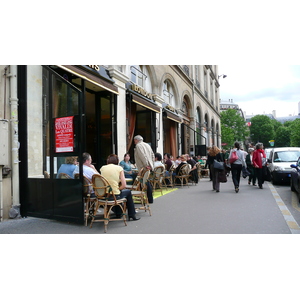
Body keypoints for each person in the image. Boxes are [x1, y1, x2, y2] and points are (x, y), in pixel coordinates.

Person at [100, 154, 140, 221]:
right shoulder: (119, 168)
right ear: (117, 161)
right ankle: (132, 214)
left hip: (104, 195)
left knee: (117, 193)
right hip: (114, 195)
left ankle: (118, 213)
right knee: (127, 192)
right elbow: (124, 185)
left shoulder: (102, 168)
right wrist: (117, 189)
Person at [133, 135, 155, 203]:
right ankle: (147, 197)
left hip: (143, 166)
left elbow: (142, 156)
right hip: (148, 166)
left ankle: (145, 197)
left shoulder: (138, 145)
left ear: (136, 140)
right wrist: (152, 164)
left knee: (145, 182)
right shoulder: (147, 145)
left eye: (134, 140)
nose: (134, 142)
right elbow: (152, 155)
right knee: (146, 181)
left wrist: (146, 165)